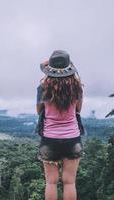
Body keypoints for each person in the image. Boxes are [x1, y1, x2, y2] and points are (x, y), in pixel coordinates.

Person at [36, 50, 84, 200]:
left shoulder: (43, 87)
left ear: (50, 69)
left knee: (51, 182)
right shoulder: (77, 87)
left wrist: (48, 68)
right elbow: (78, 110)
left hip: (49, 138)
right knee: (69, 183)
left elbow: (39, 111)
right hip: (72, 138)